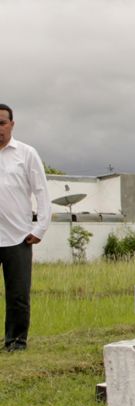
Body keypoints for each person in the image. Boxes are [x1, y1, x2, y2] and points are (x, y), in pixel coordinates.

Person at [0, 104, 51, 352]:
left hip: (18, 237)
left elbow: (41, 191)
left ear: (12, 124)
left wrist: (40, 228)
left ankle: (16, 341)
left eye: (2, 123)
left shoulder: (26, 154)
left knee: (18, 295)